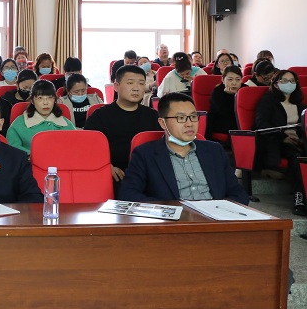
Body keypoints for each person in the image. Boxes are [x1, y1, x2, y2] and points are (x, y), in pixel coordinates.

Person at [119, 93, 248, 205]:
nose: (189, 123)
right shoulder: (145, 154)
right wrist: (169, 210)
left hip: (216, 219)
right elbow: (128, 194)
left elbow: (238, 192)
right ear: (163, 123)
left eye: (193, 116)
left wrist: (223, 212)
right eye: (181, 118)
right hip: (174, 221)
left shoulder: (214, 150)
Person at [85, 65, 160, 196]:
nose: (136, 88)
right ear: (116, 86)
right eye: (130, 83)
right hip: (116, 176)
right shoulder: (100, 116)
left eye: (141, 83)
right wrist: (106, 167)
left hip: (149, 176)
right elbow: (88, 148)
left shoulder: (153, 116)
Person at [255, 70, 306, 215]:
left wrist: (301, 138)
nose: (289, 84)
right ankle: (299, 199)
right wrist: (283, 136)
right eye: (284, 81)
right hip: (277, 141)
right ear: (276, 84)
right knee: (298, 160)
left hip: (298, 142)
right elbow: (261, 124)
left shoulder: (300, 105)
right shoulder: (268, 101)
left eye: (292, 81)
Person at [7, 80, 76, 155]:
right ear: (32, 101)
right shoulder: (19, 124)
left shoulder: (66, 124)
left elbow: (76, 147)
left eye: (50, 98)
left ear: (55, 100)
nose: (45, 103)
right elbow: (12, 148)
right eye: (40, 98)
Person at [206, 65, 244, 141]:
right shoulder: (217, 92)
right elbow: (226, 112)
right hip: (221, 122)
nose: (234, 83)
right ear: (223, 80)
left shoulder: (244, 90)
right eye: (230, 79)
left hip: (240, 122)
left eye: (238, 79)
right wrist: (232, 96)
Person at [0, 69, 37, 135]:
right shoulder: (5, 100)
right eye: (25, 88)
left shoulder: (38, 100)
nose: (28, 90)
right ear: (17, 85)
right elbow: (2, 125)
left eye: (31, 88)